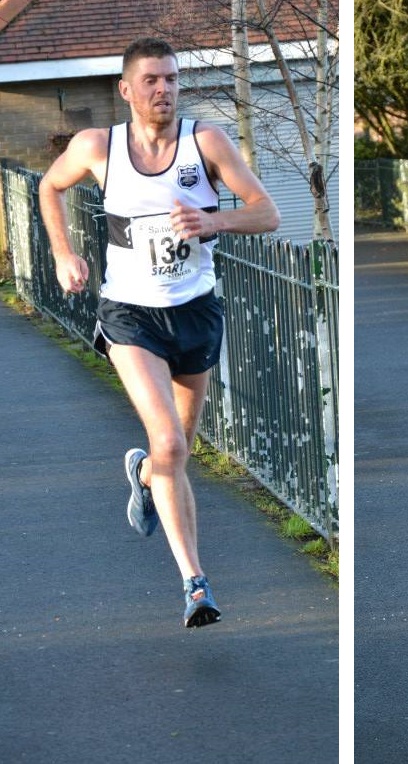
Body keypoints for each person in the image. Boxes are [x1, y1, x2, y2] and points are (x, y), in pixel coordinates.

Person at [39, 38, 279, 628]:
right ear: (126, 90)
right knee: (170, 443)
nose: (163, 89)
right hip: (130, 315)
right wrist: (64, 252)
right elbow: (49, 187)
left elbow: (266, 211)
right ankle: (195, 584)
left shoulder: (207, 143)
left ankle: (144, 475)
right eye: (151, 80)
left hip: (195, 312)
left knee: (178, 449)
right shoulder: (100, 146)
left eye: (171, 79)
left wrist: (213, 219)